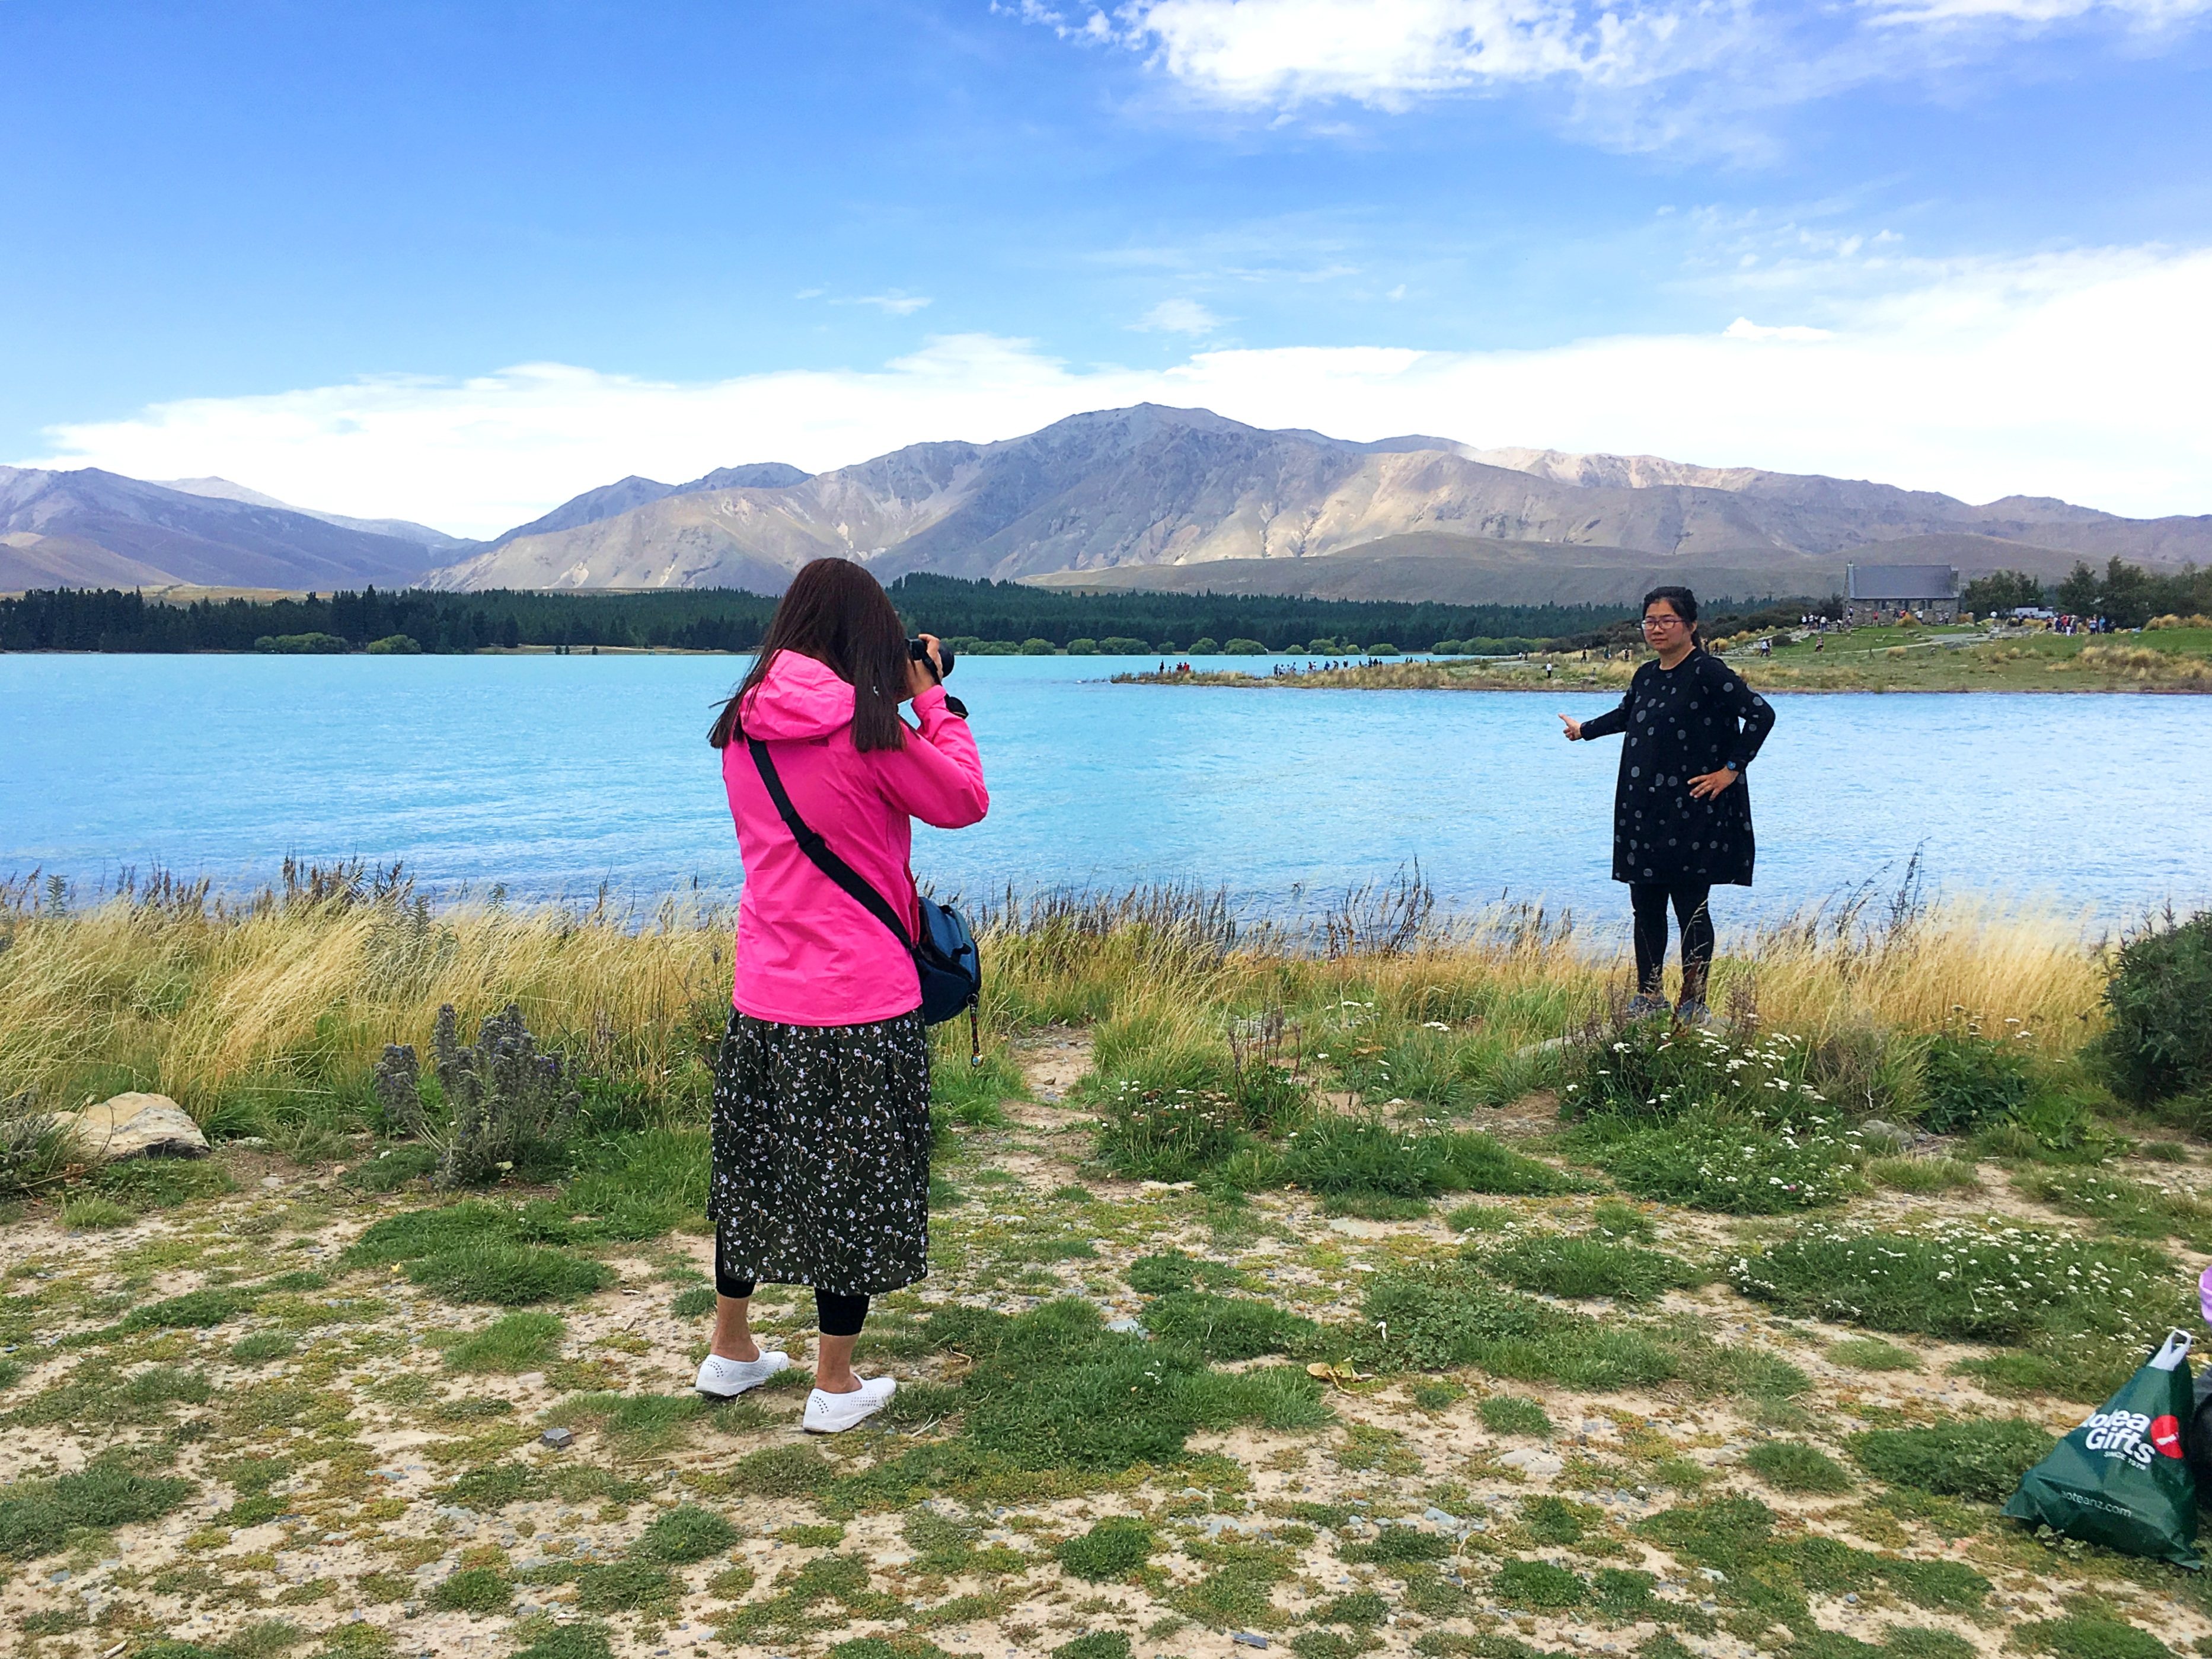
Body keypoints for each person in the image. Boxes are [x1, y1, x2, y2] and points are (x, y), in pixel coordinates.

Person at [700, 558, 989, 1431]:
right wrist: (933, 699)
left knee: (753, 1170)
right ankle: (833, 1382)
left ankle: (731, 1348)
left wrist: (888, 700)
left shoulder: (740, 726)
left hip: (764, 992)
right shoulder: (876, 731)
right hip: (861, 1001)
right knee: (855, 1185)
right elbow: (964, 798)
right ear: (866, 635)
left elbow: (821, 778)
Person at [1557, 586, 1774, 1024]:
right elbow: (1626, 715)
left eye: (1666, 620)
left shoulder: (1708, 671)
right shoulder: (1646, 674)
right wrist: (1585, 731)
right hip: (1642, 811)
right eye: (1649, 621)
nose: (1655, 628)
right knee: (1646, 906)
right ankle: (1649, 996)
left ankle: (1693, 1002)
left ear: (1690, 625)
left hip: (1693, 811)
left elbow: (1760, 714)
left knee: (1691, 907)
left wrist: (1730, 769)